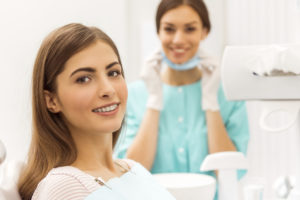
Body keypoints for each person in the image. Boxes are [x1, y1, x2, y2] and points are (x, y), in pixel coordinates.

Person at [17, 23, 175, 200]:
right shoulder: (63, 187)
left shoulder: (133, 169)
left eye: (114, 73)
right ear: (52, 100)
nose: (108, 89)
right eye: (84, 79)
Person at [116, 0, 249, 185]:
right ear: (158, 32)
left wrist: (211, 102)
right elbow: (131, 175)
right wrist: (154, 101)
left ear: (205, 32)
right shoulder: (133, 95)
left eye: (190, 29)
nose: (178, 40)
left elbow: (231, 174)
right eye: (169, 29)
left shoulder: (228, 95)